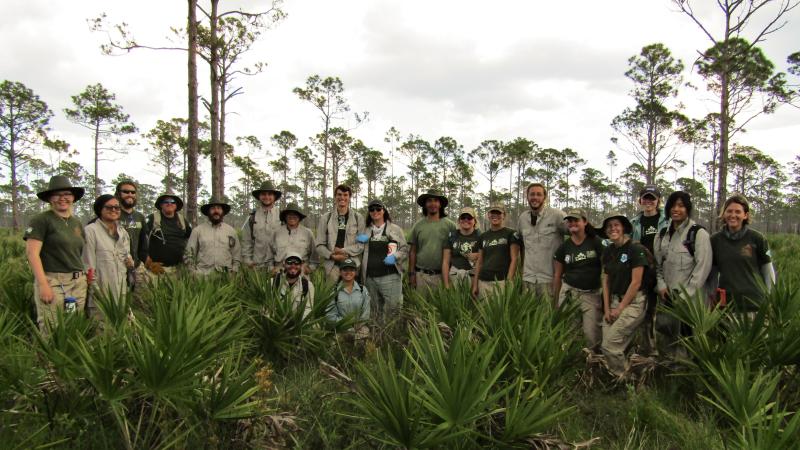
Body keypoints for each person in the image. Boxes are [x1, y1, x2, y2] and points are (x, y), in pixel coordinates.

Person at [23, 175, 88, 333]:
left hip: (78, 282)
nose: (62, 198)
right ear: (50, 198)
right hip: (53, 281)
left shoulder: (76, 222)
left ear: (73, 197)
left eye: (67, 194)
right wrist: (43, 284)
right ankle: (47, 358)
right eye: (57, 194)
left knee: (73, 326)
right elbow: (32, 254)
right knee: (52, 328)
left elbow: (79, 252)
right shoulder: (42, 220)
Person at [654, 191, 712, 355]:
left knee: (688, 344)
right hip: (667, 298)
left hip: (689, 303)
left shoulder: (698, 234)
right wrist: (661, 285)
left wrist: (684, 296)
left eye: (680, 205)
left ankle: (686, 375)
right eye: (672, 205)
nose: (676, 209)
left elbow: (702, 269)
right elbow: (658, 266)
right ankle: (667, 372)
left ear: (687, 208)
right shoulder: (662, 234)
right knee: (666, 338)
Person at [599, 211, 650, 377]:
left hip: (634, 302)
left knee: (610, 345)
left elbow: (636, 282)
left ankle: (625, 379)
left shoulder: (635, 249)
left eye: (616, 225)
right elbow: (605, 281)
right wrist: (607, 309)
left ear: (623, 228)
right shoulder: (608, 251)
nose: (613, 228)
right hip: (614, 301)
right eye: (609, 226)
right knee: (608, 344)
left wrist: (620, 309)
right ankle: (621, 375)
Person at [710, 194, 774, 312]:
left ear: (745, 215)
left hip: (754, 305)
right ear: (724, 214)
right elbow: (712, 273)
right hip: (726, 307)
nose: (733, 215)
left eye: (738, 212)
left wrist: (768, 299)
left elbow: (768, 271)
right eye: (729, 211)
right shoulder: (715, 240)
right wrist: (711, 296)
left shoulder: (758, 239)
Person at [552, 209, 605, 351]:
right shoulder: (564, 247)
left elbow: (607, 270)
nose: (573, 223)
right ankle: (573, 364)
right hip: (570, 293)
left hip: (591, 294)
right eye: (570, 221)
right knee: (570, 332)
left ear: (585, 222)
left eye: (576, 220)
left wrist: (606, 296)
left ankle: (593, 363)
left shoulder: (595, 242)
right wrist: (557, 301)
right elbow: (557, 275)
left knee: (591, 334)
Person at [629, 184, 669, 355]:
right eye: (645, 197)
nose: (648, 201)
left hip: (663, 271)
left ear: (658, 201)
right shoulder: (634, 223)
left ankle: (668, 349)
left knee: (666, 312)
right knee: (646, 312)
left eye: (652, 198)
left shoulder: (667, 221)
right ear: (640, 200)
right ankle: (649, 349)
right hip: (642, 272)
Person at [355, 199, 408, 323]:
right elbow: (357, 250)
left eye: (378, 209)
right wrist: (357, 240)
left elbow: (405, 250)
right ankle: (376, 337)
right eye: (372, 209)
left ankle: (391, 337)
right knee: (374, 310)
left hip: (390, 277)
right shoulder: (366, 230)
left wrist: (395, 257)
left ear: (383, 211)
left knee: (393, 310)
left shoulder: (395, 229)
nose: (375, 211)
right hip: (370, 278)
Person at [83, 195, 134, 319]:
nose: (114, 210)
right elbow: (88, 266)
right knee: (103, 334)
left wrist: (130, 262)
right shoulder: (90, 231)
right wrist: (97, 294)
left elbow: (126, 258)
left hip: (121, 294)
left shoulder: (123, 232)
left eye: (117, 207)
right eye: (109, 207)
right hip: (101, 295)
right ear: (100, 209)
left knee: (124, 332)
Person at [517, 182, 566, 297]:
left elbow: (575, 232)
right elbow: (520, 244)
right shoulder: (523, 218)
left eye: (539, 194)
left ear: (545, 197)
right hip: (528, 280)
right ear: (527, 197)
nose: (535, 197)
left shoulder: (557, 216)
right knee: (528, 314)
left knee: (548, 314)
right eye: (532, 194)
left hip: (549, 280)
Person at [408, 190, 456, 291]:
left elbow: (455, 249)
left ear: (440, 204)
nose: (432, 204)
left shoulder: (450, 225)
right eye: (429, 201)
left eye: (436, 201)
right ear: (425, 205)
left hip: (442, 276)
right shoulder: (418, 225)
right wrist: (411, 274)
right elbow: (412, 252)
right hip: (421, 276)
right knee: (420, 306)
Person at [316, 185, 364, 282]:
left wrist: (343, 251)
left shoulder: (358, 218)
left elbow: (361, 245)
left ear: (349, 197)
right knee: (331, 296)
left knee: (352, 295)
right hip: (331, 267)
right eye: (339, 195)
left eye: (345, 195)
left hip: (352, 266)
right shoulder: (326, 218)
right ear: (335, 197)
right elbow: (319, 245)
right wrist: (331, 255)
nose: (342, 197)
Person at [471, 205, 521, 299]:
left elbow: (514, 259)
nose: (495, 216)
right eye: (492, 213)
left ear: (504, 216)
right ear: (488, 215)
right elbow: (480, 262)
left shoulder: (511, 234)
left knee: (500, 312)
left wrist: (509, 282)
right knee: (483, 312)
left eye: (498, 213)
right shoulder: (483, 236)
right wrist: (475, 284)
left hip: (501, 282)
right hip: (483, 281)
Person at [139, 194, 192, 277]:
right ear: (161, 205)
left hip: (179, 268)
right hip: (157, 269)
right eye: (166, 202)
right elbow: (141, 240)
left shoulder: (182, 220)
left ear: (176, 205)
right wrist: (147, 260)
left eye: (172, 202)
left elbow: (191, 239)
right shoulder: (152, 218)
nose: (169, 204)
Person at [184, 198, 241, 275]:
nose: (216, 211)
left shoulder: (231, 231)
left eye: (219, 208)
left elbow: (236, 254)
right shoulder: (197, 231)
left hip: (226, 275)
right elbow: (189, 254)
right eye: (213, 208)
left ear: (222, 212)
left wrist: (234, 271)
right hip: (202, 276)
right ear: (208, 212)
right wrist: (193, 272)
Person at [242, 181, 282, 269]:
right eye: (263, 194)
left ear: (274, 197)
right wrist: (248, 261)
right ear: (259, 197)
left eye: (270, 194)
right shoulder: (252, 217)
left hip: (277, 266)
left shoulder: (282, 216)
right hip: (257, 266)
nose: (266, 197)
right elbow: (247, 242)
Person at [327, 258, 370, 337]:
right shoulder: (334, 291)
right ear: (340, 272)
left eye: (351, 270)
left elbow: (366, 311)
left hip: (360, 328)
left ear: (356, 272)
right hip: (340, 327)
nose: (348, 272)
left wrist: (359, 324)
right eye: (345, 269)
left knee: (363, 339)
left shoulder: (362, 289)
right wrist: (347, 326)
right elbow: (331, 315)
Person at [269, 203, 317, 274]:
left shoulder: (308, 233)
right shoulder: (276, 233)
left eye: (295, 214)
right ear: (285, 216)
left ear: (299, 217)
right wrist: (271, 269)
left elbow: (315, 256)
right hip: (280, 270)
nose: (292, 216)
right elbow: (269, 254)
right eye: (289, 214)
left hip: (301, 270)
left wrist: (309, 269)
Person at [115, 180, 146, 290]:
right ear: (118, 194)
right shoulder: (113, 214)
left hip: (137, 267)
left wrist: (144, 262)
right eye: (126, 192)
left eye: (133, 192)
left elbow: (143, 243)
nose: (130, 195)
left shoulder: (140, 217)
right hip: (118, 268)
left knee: (139, 302)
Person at [442, 207, 481, 288]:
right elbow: (445, 261)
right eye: (463, 217)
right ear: (459, 220)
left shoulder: (480, 236)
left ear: (475, 221)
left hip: (474, 276)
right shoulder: (452, 236)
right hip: (455, 275)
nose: (466, 220)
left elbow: (489, 256)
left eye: (469, 217)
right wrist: (446, 284)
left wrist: (478, 255)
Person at [273, 251, 316, 317]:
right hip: (275, 323)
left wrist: (296, 324)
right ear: (284, 264)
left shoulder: (308, 285)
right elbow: (266, 306)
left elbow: (308, 308)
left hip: (298, 324)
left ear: (301, 265)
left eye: (297, 263)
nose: (293, 266)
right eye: (289, 262)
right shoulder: (272, 282)